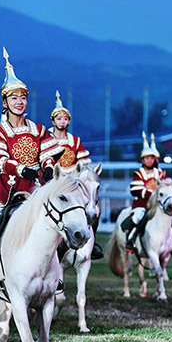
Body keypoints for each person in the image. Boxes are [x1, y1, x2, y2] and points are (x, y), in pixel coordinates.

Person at [0, 47, 64, 291]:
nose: (20, 102)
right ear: (5, 102)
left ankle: (54, 275)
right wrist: (20, 169)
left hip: (34, 189)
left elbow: (47, 153)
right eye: (14, 98)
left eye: (23, 97)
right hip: (5, 188)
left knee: (55, 223)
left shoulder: (38, 129)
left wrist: (47, 168)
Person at [48, 90, 103, 260]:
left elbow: (84, 162)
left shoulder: (75, 141)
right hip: (53, 181)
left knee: (93, 209)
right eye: (59, 118)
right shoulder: (46, 138)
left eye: (65, 118)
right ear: (53, 120)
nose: (62, 121)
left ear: (68, 121)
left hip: (72, 182)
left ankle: (90, 242)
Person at [124, 132, 172, 254]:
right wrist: (151, 193)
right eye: (147, 158)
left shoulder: (160, 173)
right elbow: (135, 189)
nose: (149, 160)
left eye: (152, 158)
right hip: (142, 204)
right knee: (137, 217)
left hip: (158, 204)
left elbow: (167, 186)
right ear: (143, 159)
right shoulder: (139, 173)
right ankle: (130, 240)